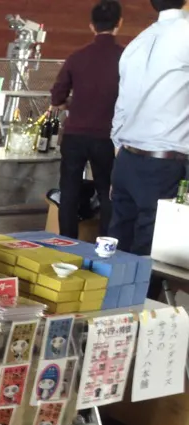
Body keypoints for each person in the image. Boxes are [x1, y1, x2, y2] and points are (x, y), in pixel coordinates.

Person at [110, 0, 189, 254]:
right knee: (153, 255)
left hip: (127, 159)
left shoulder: (137, 42)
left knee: (117, 250)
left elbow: (121, 107)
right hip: (165, 165)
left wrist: (119, 153)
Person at [50, 1, 124, 241]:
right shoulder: (126, 57)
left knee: (69, 191)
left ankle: (67, 242)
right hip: (107, 136)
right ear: (119, 23)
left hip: (75, 136)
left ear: (91, 26)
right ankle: (105, 245)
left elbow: (57, 96)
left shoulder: (77, 56)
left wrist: (71, 104)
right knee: (106, 191)